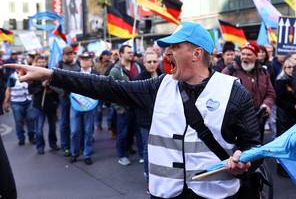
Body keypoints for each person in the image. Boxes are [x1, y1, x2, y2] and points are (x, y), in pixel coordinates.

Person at [7, 22, 260, 199]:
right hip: (165, 193)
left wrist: (243, 161)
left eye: (174, 47)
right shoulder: (159, 85)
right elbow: (108, 87)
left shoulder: (234, 92)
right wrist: (52, 74)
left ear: (196, 53)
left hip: (215, 196)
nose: (166, 52)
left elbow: (254, 146)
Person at [222, 41, 276, 140]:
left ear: (256, 56)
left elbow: (270, 93)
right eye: (243, 54)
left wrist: (266, 104)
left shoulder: (263, 72)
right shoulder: (229, 71)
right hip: (237, 120)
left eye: (249, 54)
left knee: (256, 146)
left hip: (258, 118)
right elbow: (219, 91)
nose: (245, 57)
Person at [109, 45, 143, 166]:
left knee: (138, 131)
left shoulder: (137, 67)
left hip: (136, 106)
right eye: (128, 52)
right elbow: (110, 91)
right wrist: (119, 108)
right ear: (121, 54)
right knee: (122, 133)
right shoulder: (115, 70)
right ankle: (122, 155)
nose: (131, 54)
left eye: (131, 52)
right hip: (123, 108)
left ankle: (142, 154)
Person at [135, 51, 162, 192]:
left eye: (154, 61)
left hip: (161, 120)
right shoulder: (139, 79)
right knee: (148, 150)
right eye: (149, 62)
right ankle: (149, 180)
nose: (152, 64)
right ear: (144, 63)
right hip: (146, 120)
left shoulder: (164, 75)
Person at [69, 52, 99, 165]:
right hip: (76, 105)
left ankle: (87, 154)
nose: (84, 61)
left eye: (86, 59)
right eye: (82, 59)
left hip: (90, 106)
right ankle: (74, 153)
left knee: (88, 131)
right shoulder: (75, 73)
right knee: (74, 131)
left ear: (91, 61)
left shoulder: (95, 74)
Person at [28, 56, 60, 154]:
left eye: (43, 62)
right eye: (39, 62)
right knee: (39, 129)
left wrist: (50, 85)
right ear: (36, 63)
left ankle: (53, 143)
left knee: (52, 127)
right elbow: (31, 91)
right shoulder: (32, 75)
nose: (42, 64)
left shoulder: (50, 74)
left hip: (51, 105)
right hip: (39, 106)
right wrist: (42, 86)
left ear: (46, 62)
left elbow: (57, 90)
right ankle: (40, 146)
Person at [56, 46, 80, 156]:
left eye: (71, 53)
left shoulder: (78, 64)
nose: (70, 55)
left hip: (77, 98)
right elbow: (52, 82)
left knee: (76, 123)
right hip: (65, 98)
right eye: (67, 54)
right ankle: (65, 146)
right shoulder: (59, 65)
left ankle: (76, 145)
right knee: (64, 123)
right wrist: (61, 91)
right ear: (63, 55)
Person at [3, 71, 36, 145]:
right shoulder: (12, 77)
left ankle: (31, 136)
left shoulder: (29, 75)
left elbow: (34, 87)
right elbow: (8, 89)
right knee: (19, 121)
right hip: (16, 102)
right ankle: (21, 138)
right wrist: (6, 101)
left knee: (30, 119)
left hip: (28, 101)